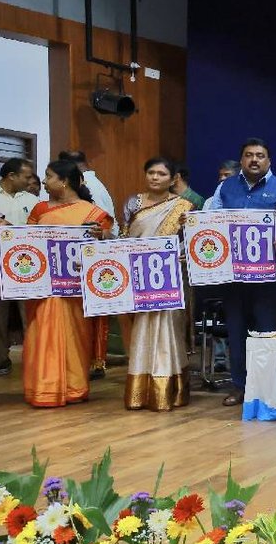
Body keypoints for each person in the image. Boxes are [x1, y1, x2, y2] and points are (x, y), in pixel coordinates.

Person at [205, 138, 276, 406]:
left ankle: (269, 389)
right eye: (249, 155)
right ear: (242, 160)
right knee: (237, 332)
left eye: (260, 155)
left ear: (269, 161)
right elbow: (212, 223)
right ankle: (240, 386)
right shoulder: (225, 187)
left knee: (269, 332)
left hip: (271, 278)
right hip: (235, 276)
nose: (254, 160)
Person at [22, 160, 113, 407]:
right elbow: (26, 241)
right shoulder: (40, 209)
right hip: (42, 285)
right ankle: (43, 389)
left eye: (48, 176)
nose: (43, 181)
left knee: (73, 336)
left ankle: (74, 388)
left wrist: (102, 236)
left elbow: (108, 249)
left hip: (74, 287)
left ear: (63, 181)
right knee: (41, 334)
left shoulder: (93, 213)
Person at [119, 158, 195, 410]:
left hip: (170, 276)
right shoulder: (133, 203)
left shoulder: (183, 206)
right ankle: (140, 391)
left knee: (168, 328)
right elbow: (123, 236)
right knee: (142, 327)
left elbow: (190, 240)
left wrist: (183, 253)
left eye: (161, 174)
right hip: (139, 274)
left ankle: (170, 391)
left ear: (173, 179)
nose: (154, 177)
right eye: (150, 172)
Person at [58, 150, 117, 377]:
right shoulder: (93, 184)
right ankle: (82, 360)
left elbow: (106, 229)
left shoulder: (91, 194)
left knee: (92, 315)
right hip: (77, 265)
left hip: (93, 260)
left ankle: (93, 361)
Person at [0, 158, 41, 376]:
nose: (31, 181)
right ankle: (0, 359)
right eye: (27, 176)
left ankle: (36, 359)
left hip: (27, 266)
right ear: (11, 176)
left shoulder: (33, 201)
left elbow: (38, 230)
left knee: (28, 311)